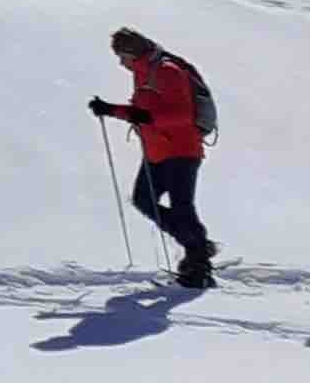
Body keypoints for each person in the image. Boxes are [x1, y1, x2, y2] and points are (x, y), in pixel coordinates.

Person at [88, 26, 216, 288]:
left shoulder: (168, 71)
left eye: (122, 56)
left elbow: (183, 115)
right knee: (143, 200)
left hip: (182, 150)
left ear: (132, 53)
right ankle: (197, 246)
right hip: (156, 151)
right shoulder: (144, 73)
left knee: (182, 207)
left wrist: (145, 117)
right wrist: (110, 109)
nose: (121, 63)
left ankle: (199, 263)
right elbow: (142, 113)